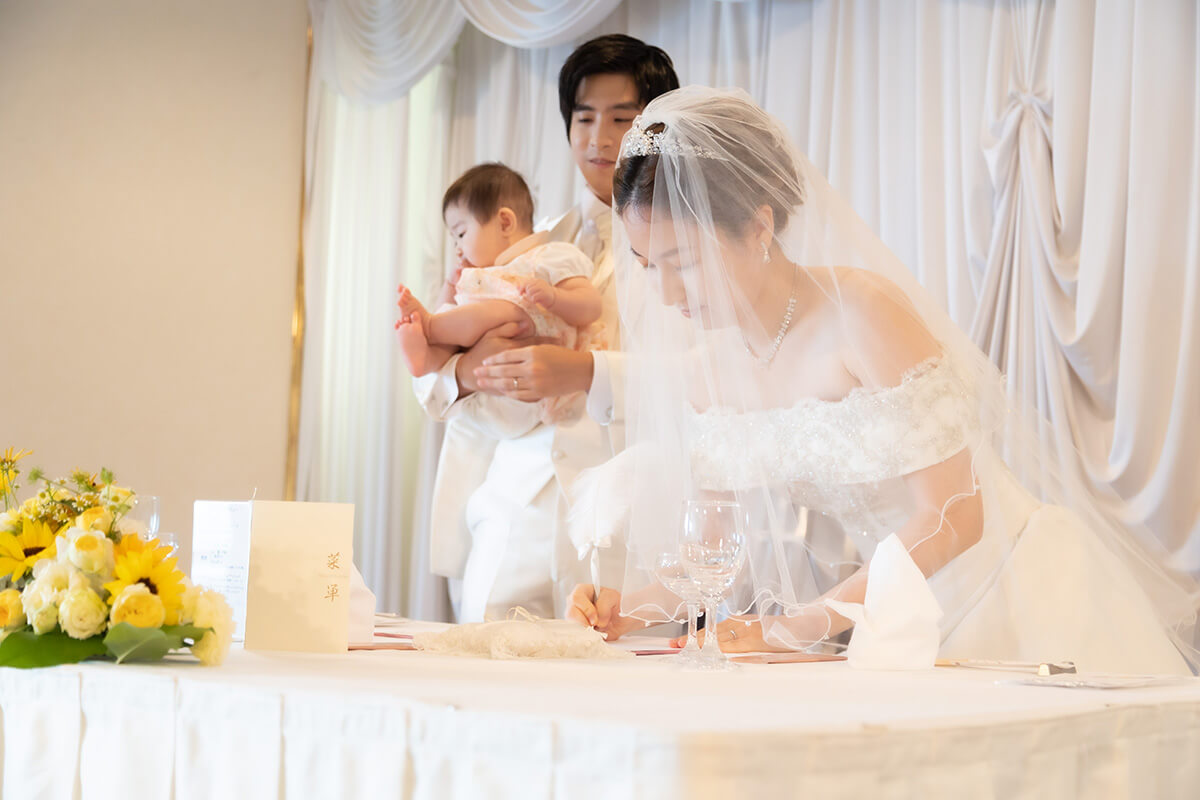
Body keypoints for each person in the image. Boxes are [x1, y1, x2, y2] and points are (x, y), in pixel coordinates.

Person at [567, 87, 1200, 675]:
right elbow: (713, 563)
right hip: (880, 619)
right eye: (649, 266)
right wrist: (625, 611)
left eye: (685, 261)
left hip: (1003, 594)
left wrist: (803, 626)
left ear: (759, 227)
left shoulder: (861, 314)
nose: (667, 292)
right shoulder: (708, 370)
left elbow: (955, 514)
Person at [413, 36, 679, 622]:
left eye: (621, 118)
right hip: (511, 503)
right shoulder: (514, 236)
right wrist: (464, 369)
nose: (598, 138)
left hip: (626, 519)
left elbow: (706, 378)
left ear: (656, 126)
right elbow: (432, 367)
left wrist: (586, 372)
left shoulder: (687, 248)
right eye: (583, 118)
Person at [397, 163, 603, 423]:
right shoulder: (482, 275)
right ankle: (427, 356)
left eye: (461, 233)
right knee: (458, 319)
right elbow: (454, 317)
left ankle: (428, 326)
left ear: (505, 222)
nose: (458, 249)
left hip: (536, 384)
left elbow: (591, 306)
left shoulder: (550, 256)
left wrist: (554, 297)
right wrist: (450, 286)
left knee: (507, 309)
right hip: (487, 399)